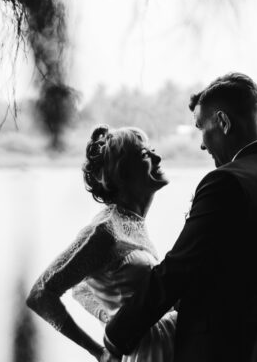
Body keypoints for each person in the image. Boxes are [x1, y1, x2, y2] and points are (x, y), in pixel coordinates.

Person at [102, 72, 257, 362]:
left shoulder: (226, 182)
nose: (202, 144)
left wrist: (116, 336)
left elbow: (177, 271)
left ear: (223, 122)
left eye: (202, 128)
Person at [27, 125, 177, 362]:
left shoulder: (133, 221)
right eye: (145, 154)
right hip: (148, 354)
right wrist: (99, 351)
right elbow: (41, 295)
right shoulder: (104, 232)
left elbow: (81, 288)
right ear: (122, 173)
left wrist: (109, 315)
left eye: (153, 150)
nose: (158, 157)